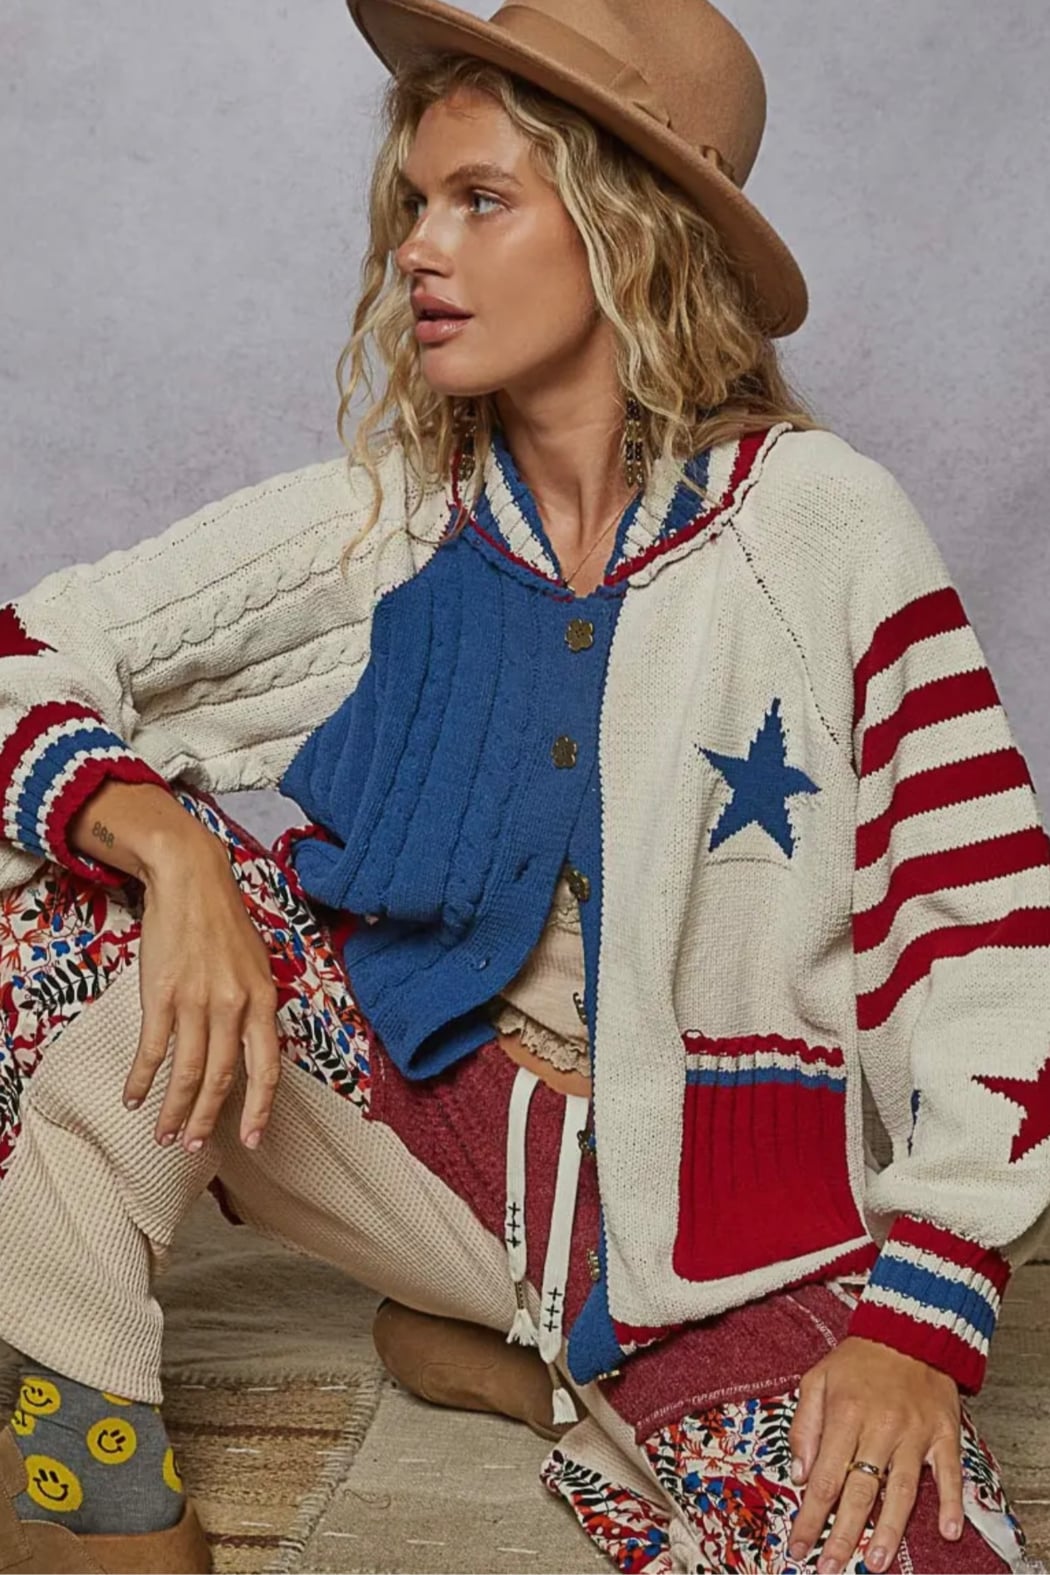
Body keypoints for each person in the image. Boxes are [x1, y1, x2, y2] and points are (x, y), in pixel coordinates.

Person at [1, 0, 1048, 1571]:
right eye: (416, 202)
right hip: (397, 1122)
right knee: (59, 887)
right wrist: (173, 854)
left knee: (907, 1554)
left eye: (480, 201)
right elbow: (24, 654)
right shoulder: (393, 518)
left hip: (716, 1215)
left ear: (635, 227)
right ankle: (84, 1481)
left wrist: (923, 1315)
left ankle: (524, 1352)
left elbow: (981, 931)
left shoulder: (818, 526)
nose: (419, 249)